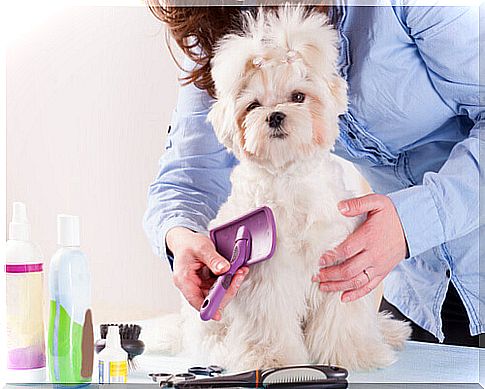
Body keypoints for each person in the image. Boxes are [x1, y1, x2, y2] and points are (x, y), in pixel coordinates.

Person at [143, 4, 483, 346]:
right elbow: (190, 175)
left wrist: (410, 223)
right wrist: (182, 238)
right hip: (417, 293)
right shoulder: (219, 25)